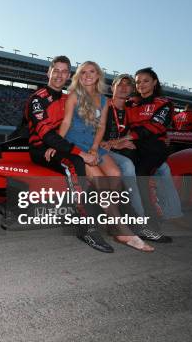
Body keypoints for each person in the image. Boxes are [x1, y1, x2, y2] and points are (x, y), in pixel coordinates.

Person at [59, 61, 154, 252]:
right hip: (75, 144)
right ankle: (122, 230)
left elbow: (101, 127)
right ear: (79, 76)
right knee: (102, 180)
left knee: (116, 174)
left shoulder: (103, 100)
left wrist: (94, 148)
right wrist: (57, 144)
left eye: (91, 71)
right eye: (83, 72)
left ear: (98, 75)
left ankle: (110, 220)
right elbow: (66, 122)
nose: (87, 75)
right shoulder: (73, 96)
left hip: (93, 144)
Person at [24, 55, 113, 253]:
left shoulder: (68, 97)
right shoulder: (37, 99)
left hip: (62, 146)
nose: (59, 75)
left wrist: (98, 144)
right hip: (43, 149)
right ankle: (85, 228)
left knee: (96, 168)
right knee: (75, 163)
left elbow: (91, 121)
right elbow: (47, 136)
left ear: (69, 76)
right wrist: (80, 153)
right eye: (56, 70)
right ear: (49, 72)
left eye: (64, 71)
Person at [100, 74, 178, 242]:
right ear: (112, 87)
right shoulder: (102, 105)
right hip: (104, 150)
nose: (124, 87)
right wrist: (115, 144)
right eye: (120, 84)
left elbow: (146, 127)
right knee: (129, 166)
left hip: (125, 148)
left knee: (162, 167)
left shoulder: (130, 107)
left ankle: (169, 213)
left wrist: (162, 137)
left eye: (128, 84)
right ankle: (139, 223)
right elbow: (89, 135)